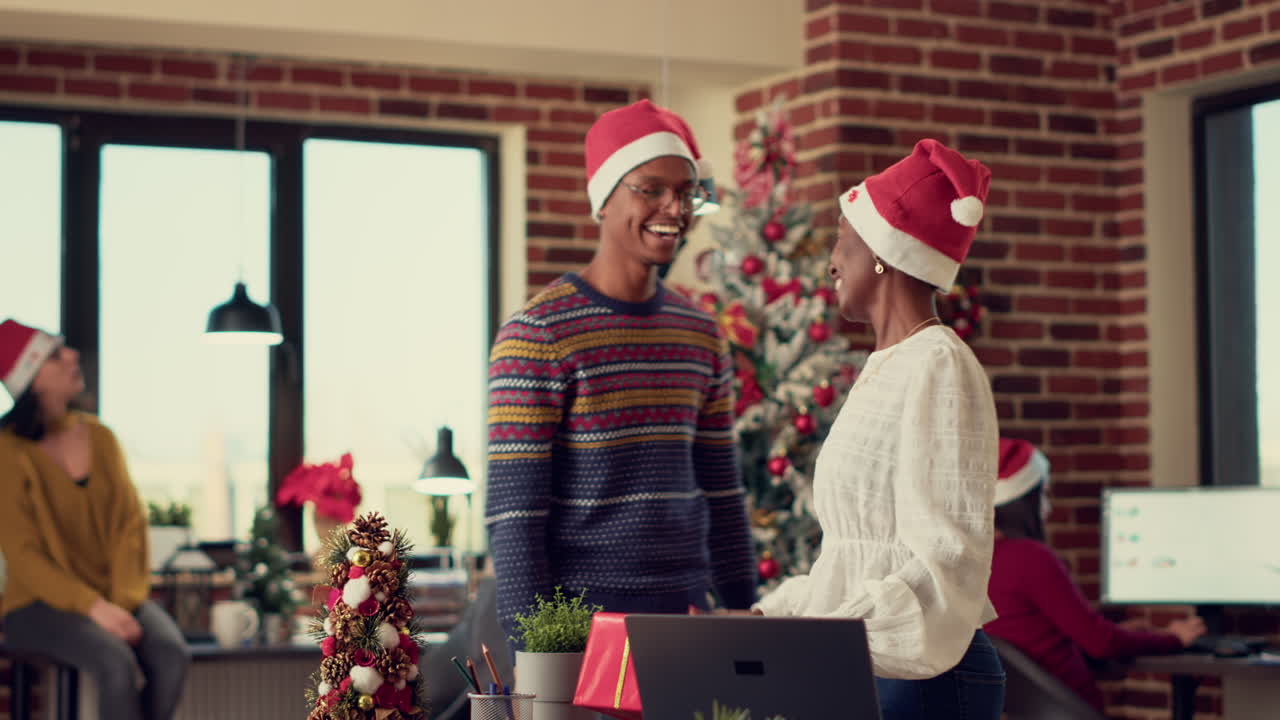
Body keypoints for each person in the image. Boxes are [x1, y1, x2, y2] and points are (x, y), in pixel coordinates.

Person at [485, 99, 756, 650]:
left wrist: (741, 611)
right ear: (602, 200)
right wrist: (538, 657)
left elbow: (723, 493)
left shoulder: (701, 335)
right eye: (650, 188)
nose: (673, 208)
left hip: (689, 623)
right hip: (580, 633)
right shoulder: (537, 334)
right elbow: (515, 519)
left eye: (684, 192)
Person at [751, 139, 1005, 720]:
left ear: (884, 253)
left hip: (923, 678)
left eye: (843, 241)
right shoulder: (890, 362)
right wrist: (773, 615)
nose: (833, 262)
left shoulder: (937, 364)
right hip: (873, 665)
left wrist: (817, 636)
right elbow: (852, 557)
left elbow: (944, 559)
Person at [0, 318, 190, 720]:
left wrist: (118, 604)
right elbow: (24, 556)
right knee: (115, 661)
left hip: (116, 596)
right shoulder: (7, 454)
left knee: (172, 654)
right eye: (54, 354)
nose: (72, 356)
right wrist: (95, 609)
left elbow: (130, 527)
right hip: (34, 606)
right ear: (32, 378)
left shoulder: (101, 437)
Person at [984, 437, 1205, 712]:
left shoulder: (977, 561)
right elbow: (1101, 643)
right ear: (1021, 501)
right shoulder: (1030, 558)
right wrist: (1173, 638)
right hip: (1074, 711)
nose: (1048, 509)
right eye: (1043, 495)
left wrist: (1118, 633)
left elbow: (1046, 638)